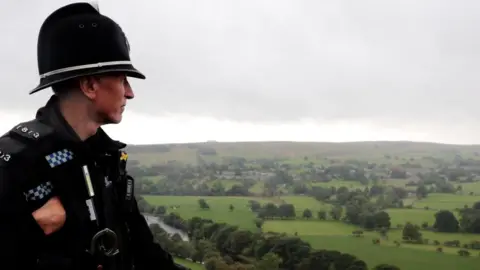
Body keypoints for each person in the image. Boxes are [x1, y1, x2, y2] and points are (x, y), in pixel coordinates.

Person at [0, 2, 189, 270]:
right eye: (123, 79)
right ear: (90, 85)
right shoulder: (15, 164)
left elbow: (145, 251)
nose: (130, 92)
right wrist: (30, 229)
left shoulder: (107, 159)